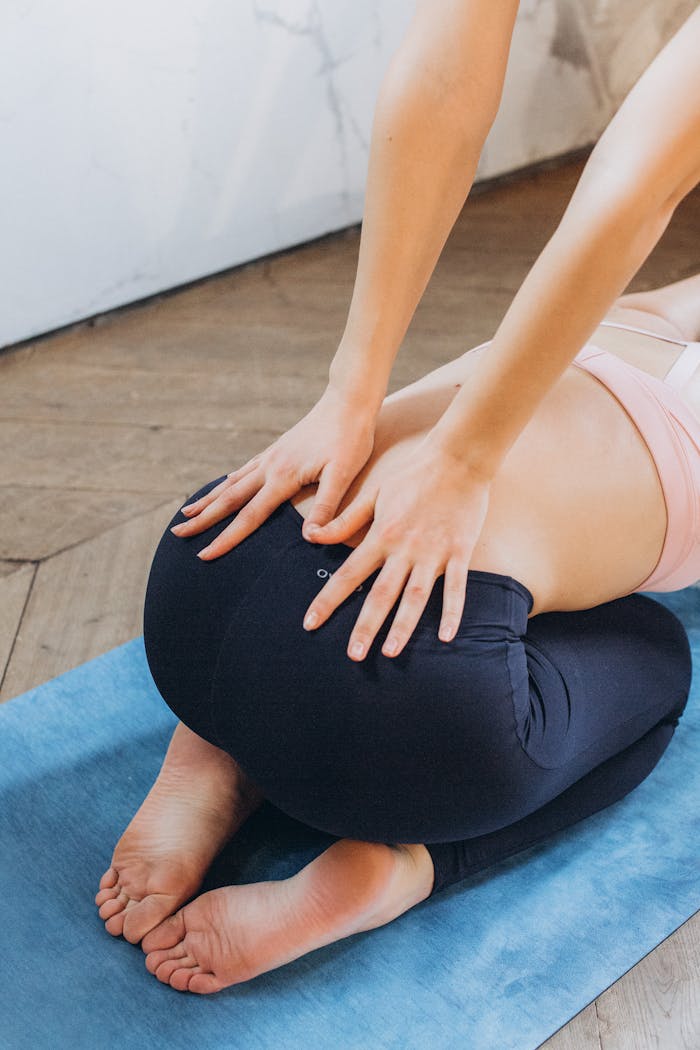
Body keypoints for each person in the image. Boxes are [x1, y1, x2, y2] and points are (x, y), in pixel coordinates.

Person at [94, 5, 700, 994]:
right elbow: (630, 185)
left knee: (379, 553)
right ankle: (398, 867)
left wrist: (356, 391)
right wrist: (462, 464)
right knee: (652, 661)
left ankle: (210, 752)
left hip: (198, 581)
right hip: (401, 728)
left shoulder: (640, 316)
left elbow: (445, 78)